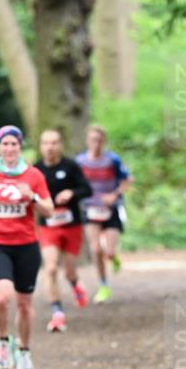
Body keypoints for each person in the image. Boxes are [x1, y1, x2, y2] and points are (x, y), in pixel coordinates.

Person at [0, 125, 53, 369]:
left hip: (27, 246)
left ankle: (25, 351)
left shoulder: (34, 175)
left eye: (13, 144)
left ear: (20, 146)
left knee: (25, 305)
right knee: (1, 298)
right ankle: (3, 342)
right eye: (5, 144)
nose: (9, 149)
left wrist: (33, 198)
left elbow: (49, 210)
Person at [34, 129, 93, 332]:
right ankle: (57, 313)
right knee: (50, 268)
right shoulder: (36, 170)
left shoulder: (71, 166)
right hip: (48, 226)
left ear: (60, 146)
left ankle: (75, 284)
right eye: (46, 143)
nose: (50, 147)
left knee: (69, 271)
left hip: (71, 225)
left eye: (54, 143)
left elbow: (87, 189)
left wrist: (71, 193)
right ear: (41, 146)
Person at [76, 124, 131, 304]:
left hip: (111, 208)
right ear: (87, 141)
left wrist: (114, 195)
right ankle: (103, 286)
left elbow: (127, 180)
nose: (96, 144)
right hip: (90, 208)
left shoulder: (112, 160)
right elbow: (75, 183)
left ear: (103, 141)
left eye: (99, 140)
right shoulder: (80, 161)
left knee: (108, 250)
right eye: (93, 140)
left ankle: (113, 257)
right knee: (96, 249)